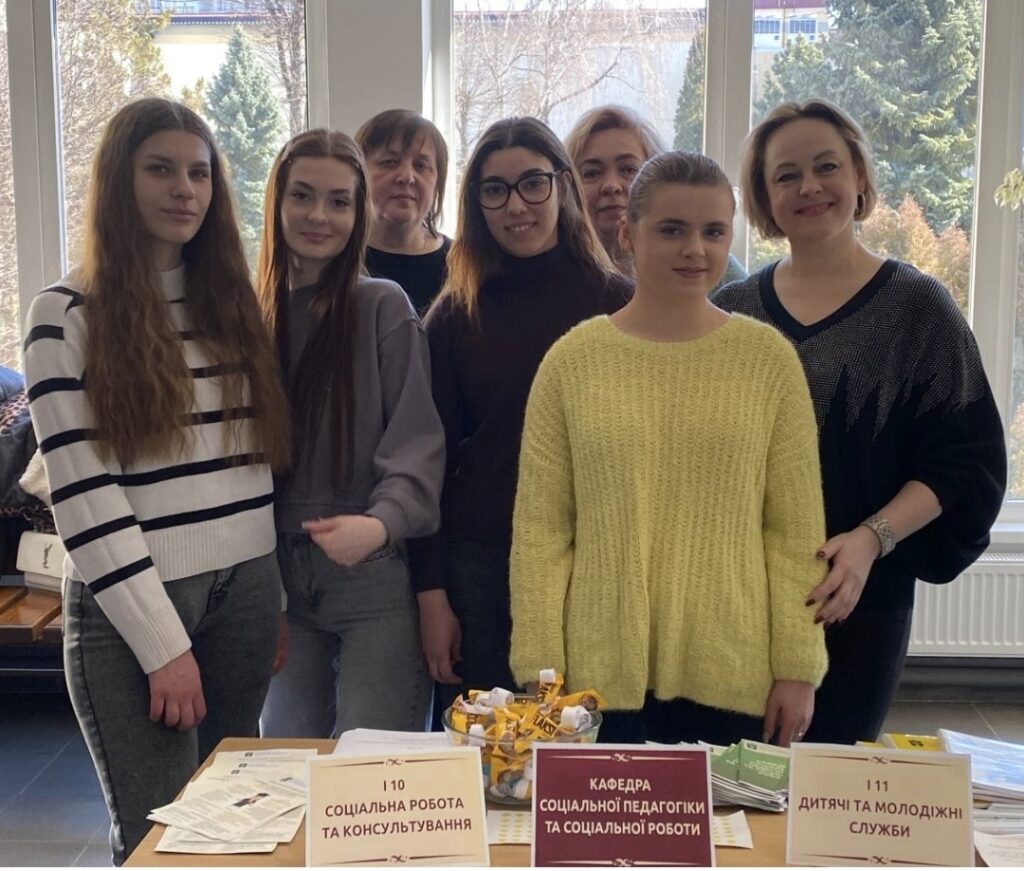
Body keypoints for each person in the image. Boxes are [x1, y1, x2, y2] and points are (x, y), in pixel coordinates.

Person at [23, 98, 291, 864]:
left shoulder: (232, 307)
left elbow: (250, 466)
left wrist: (269, 596)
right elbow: (83, 494)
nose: (184, 189)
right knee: (161, 843)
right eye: (161, 169)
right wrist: (161, 645)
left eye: (200, 173)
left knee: (239, 833)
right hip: (134, 606)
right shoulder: (64, 314)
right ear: (120, 179)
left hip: (245, 593)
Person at [711, 99, 1006, 744]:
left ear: (860, 177)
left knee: (829, 784)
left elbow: (967, 461)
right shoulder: (731, 313)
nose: (809, 187)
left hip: (860, 603)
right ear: (763, 196)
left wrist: (872, 539)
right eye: (787, 175)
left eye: (827, 166)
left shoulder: (918, 308)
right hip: (739, 604)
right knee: (734, 783)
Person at [509, 151, 828, 746]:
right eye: (673, 230)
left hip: (735, 671)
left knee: (727, 815)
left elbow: (793, 533)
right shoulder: (572, 362)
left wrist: (798, 665)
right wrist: (540, 665)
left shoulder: (769, 361)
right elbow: (542, 533)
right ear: (628, 235)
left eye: (713, 232)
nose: (695, 250)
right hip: (592, 683)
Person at [408, 117, 633, 711]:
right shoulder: (453, 316)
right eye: (495, 190)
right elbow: (428, 466)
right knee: (491, 751)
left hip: (595, 565)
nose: (516, 206)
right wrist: (432, 595)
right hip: (482, 569)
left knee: (590, 751)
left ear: (563, 185)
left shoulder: (621, 305)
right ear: (476, 204)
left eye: (533, 183)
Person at [257, 129, 445, 738]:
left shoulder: (382, 306)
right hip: (278, 578)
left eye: (339, 201)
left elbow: (418, 442)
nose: (319, 215)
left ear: (358, 212)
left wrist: (381, 522)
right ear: (276, 202)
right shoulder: (247, 316)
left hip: (371, 574)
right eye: (303, 196)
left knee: (373, 768)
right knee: (286, 765)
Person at [564, 104, 746, 287]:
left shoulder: (717, 274)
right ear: (568, 186)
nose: (612, 185)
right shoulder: (560, 281)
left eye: (628, 169)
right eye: (592, 173)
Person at [356, 109, 451, 315]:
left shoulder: (463, 266)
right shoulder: (336, 260)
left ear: (437, 183)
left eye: (421, 165)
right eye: (389, 162)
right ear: (359, 174)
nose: (407, 177)